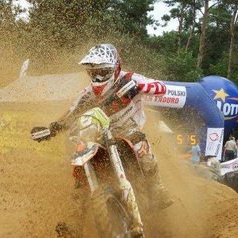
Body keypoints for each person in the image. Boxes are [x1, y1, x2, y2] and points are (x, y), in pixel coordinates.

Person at [39, 43, 173, 209]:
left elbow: (161, 87)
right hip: (99, 134)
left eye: (103, 72)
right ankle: (77, 210)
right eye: (93, 73)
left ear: (116, 68)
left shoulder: (129, 78)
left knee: (141, 145)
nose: (98, 77)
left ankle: (157, 189)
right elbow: (71, 113)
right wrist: (53, 128)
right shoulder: (87, 94)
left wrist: (139, 86)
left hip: (128, 130)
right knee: (81, 156)